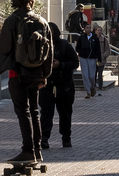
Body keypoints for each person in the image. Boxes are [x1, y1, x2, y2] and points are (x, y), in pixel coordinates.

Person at [0, 0, 54, 165]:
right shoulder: (42, 21)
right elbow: (50, 52)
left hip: (17, 73)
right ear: (30, 0)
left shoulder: (12, 20)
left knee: (23, 111)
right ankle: (37, 150)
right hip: (36, 74)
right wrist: (45, 75)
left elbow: (4, 48)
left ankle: (27, 151)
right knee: (34, 111)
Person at [38, 20, 77, 149]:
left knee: (65, 113)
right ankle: (44, 138)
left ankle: (66, 138)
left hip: (64, 86)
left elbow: (75, 63)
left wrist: (60, 64)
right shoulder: (41, 46)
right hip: (47, 85)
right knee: (46, 114)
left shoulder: (64, 45)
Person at [75, 19, 101, 97]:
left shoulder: (94, 37)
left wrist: (99, 59)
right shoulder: (81, 37)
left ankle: (92, 87)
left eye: (89, 28)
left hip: (92, 59)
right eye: (87, 28)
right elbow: (77, 47)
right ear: (84, 29)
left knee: (92, 76)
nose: (88, 29)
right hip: (83, 58)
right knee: (85, 75)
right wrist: (81, 52)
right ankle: (88, 92)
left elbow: (98, 49)